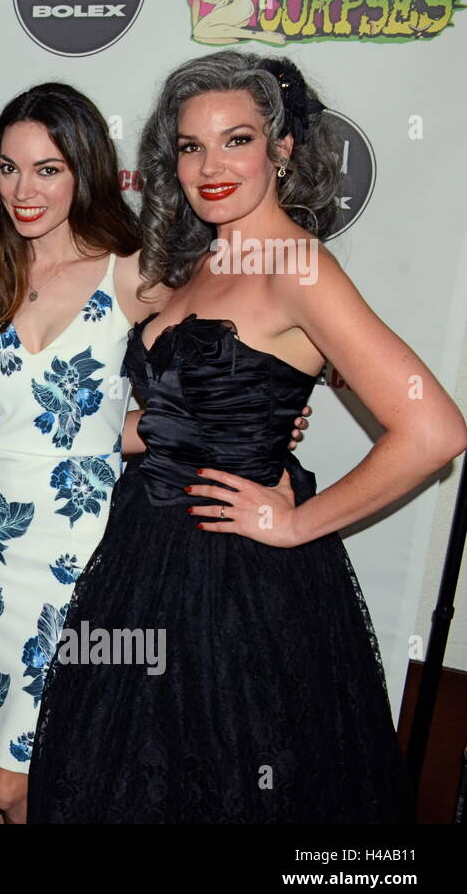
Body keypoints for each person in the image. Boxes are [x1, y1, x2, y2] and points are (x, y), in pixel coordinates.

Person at [27, 51, 466, 822]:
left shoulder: (297, 265)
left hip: (235, 586)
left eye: (237, 140)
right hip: (141, 556)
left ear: (282, 149)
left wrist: (297, 519)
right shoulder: (197, 265)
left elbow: (432, 429)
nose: (210, 165)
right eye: (192, 146)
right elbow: (177, 415)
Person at [0, 84, 157, 823]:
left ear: (85, 170)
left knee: (40, 778)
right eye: (8, 168)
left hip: (82, 551)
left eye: (48, 169)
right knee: (8, 781)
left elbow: (214, 368)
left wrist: (254, 419)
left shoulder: (132, 270)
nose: (22, 189)